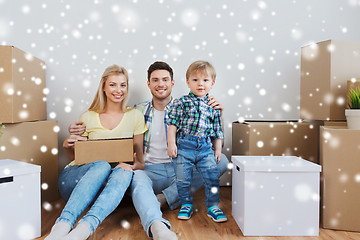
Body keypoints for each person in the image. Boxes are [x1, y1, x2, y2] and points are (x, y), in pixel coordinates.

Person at [69, 61, 229, 240]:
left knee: (221, 160)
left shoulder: (189, 108)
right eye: (155, 80)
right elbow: (111, 128)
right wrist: (77, 131)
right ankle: (157, 225)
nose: (160, 84)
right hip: (149, 170)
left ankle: (163, 199)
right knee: (137, 179)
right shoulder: (137, 111)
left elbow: (209, 138)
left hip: (180, 167)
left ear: (173, 83)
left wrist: (217, 113)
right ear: (149, 84)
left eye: (165, 80)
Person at [45, 64, 146, 240]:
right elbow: (78, 159)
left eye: (123, 85)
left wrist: (131, 166)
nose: (118, 90)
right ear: (104, 87)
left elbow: (140, 162)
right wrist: (67, 147)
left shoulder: (135, 116)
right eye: (113, 84)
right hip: (75, 181)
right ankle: (61, 226)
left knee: (123, 173)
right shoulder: (88, 116)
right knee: (101, 165)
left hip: (109, 189)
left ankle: (82, 230)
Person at [167, 60, 227, 223]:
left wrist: (218, 149)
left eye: (205, 80)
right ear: (188, 82)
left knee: (212, 175)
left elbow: (218, 131)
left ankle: (213, 206)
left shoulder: (213, 106)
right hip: (184, 146)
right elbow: (172, 124)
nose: (200, 84)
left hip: (205, 147)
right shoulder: (181, 103)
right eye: (195, 80)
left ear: (212, 83)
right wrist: (171, 143)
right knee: (182, 178)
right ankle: (186, 204)